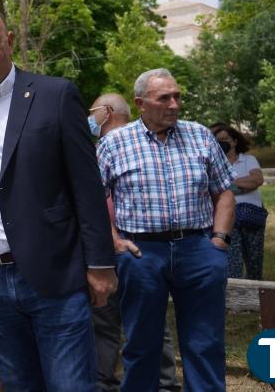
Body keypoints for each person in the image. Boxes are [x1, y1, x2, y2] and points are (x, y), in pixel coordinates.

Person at [0, 6, 116, 391]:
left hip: (55, 273)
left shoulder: (55, 95)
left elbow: (86, 187)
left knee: (70, 385)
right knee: (18, 385)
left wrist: (100, 263)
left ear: (10, 41)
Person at [97, 68, 234, 391]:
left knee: (205, 342)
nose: (174, 104)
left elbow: (224, 190)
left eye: (177, 96)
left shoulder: (199, 135)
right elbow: (93, 199)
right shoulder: (116, 143)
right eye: (164, 98)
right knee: (142, 345)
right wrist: (114, 240)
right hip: (142, 254)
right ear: (141, 103)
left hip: (198, 249)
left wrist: (219, 240)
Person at [88, 94, 180, 392]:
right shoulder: (140, 144)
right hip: (125, 248)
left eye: (93, 112)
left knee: (118, 321)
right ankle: (161, 382)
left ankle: (144, 383)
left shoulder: (122, 146)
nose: (89, 118)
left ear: (107, 111)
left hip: (127, 248)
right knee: (139, 319)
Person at [211, 122, 267, 280]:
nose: (223, 143)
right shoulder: (214, 164)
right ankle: (236, 298)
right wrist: (243, 185)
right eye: (218, 140)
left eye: (226, 139)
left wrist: (227, 186)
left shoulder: (249, 159)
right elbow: (212, 187)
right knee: (232, 260)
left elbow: (257, 180)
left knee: (254, 259)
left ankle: (256, 295)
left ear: (235, 141)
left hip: (252, 217)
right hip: (226, 219)